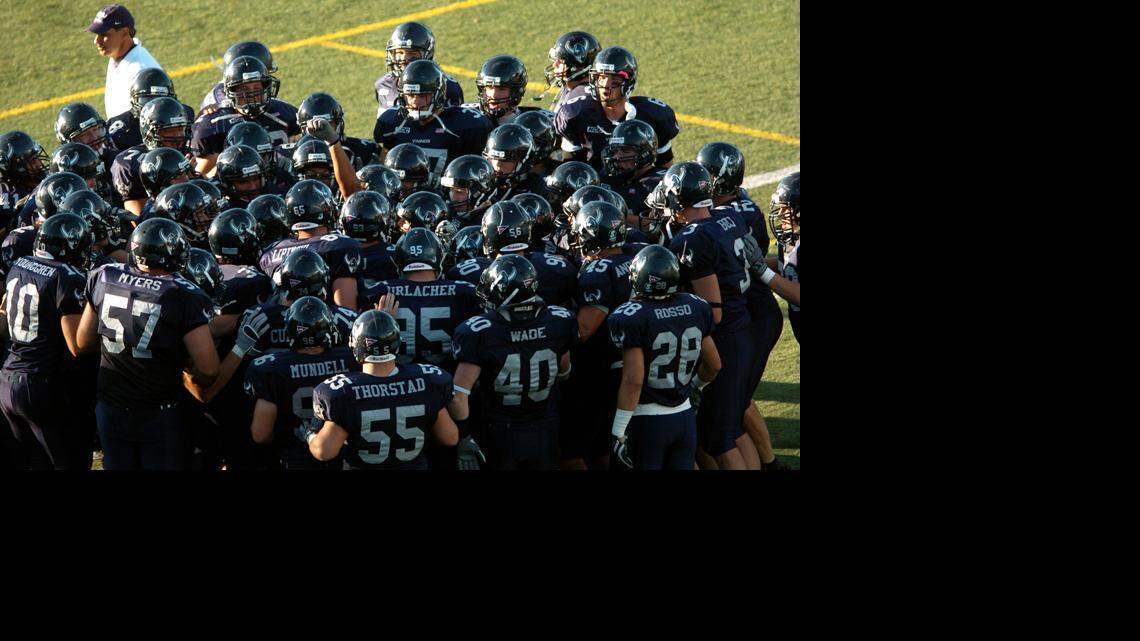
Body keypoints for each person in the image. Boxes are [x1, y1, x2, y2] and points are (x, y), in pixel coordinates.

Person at [76, 218, 219, 470]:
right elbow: (208, 369)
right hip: (158, 410)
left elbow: (83, 342)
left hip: (111, 404)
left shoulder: (103, 275)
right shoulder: (184, 294)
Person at [663, 162, 759, 470]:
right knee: (728, 428)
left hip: (724, 338)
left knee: (718, 437)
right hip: (743, 327)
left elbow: (712, 312)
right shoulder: (728, 215)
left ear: (679, 199)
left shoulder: (692, 239)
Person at [450, 254, 575, 470]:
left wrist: (462, 436)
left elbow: (459, 396)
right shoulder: (559, 320)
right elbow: (564, 371)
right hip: (546, 423)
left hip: (500, 428)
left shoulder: (479, 331)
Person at [606, 245, 720, 470]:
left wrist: (618, 430)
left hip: (647, 421)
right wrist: (696, 387)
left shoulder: (631, 316)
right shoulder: (696, 306)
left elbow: (634, 380)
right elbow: (714, 364)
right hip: (684, 418)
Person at [308, 310, 459, 470]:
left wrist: (311, 435)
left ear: (356, 344)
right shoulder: (428, 380)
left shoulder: (343, 392)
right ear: (397, 343)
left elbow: (325, 452)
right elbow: (450, 437)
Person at [0, 213, 92, 469]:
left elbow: (4, 313)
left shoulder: (20, 263)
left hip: (8, 377)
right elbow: (76, 344)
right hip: (40, 382)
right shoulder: (66, 276)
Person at [244, 296, 358, 470]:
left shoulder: (270, 368)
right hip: (339, 454)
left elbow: (260, 434)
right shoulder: (351, 360)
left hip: (292, 457)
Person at [554, 47, 679, 172]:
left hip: (638, 187)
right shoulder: (576, 113)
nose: (606, 85)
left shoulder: (653, 115)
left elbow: (664, 171)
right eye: (601, 77)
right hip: (594, 186)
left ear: (629, 82)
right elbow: (571, 170)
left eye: (614, 80)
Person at [373, 60, 493, 185]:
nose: (415, 102)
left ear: (438, 94)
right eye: (410, 95)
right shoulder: (391, 122)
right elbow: (384, 168)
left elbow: (481, 171)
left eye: (422, 95)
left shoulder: (466, 125)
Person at [258, 179, 362, 309]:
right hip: (317, 321)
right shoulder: (339, 245)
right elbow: (346, 309)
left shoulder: (270, 251)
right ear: (327, 210)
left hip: (277, 322)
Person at [189, 56, 300, 176]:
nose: (252, 94)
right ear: (230, 91)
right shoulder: (214, 124)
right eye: (244, 89)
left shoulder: (284, 112)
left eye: (257, 88)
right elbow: (204, 176)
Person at [86, 4, 162, 121]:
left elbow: (151, 120)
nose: (96, 41)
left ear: (125, 33)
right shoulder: (117, 56)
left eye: (104, 34)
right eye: (97, 34)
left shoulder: (141, 71)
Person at [373, 22, 463, 111]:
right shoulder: (383, 84)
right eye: (399, 52)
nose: (404, 58)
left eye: (412, 53)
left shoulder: (447, 86)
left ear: (428, 55)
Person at [543, 31, 601, 112]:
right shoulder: (569, 88)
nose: (554, 65)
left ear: (574, 66)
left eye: (559, 61)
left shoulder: (581, 100)